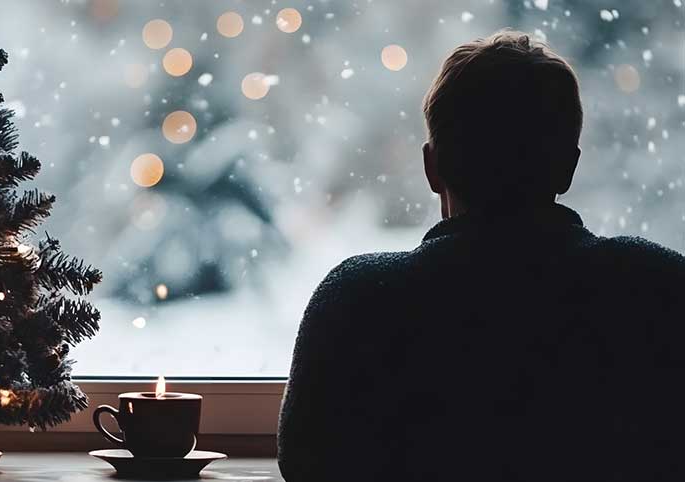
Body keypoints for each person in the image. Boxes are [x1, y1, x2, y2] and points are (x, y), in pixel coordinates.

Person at [278, 30, 685, 482]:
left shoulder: (359, 300)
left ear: (432, 167)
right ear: (569, 166)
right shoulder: (658, 289)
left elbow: (307, 465)